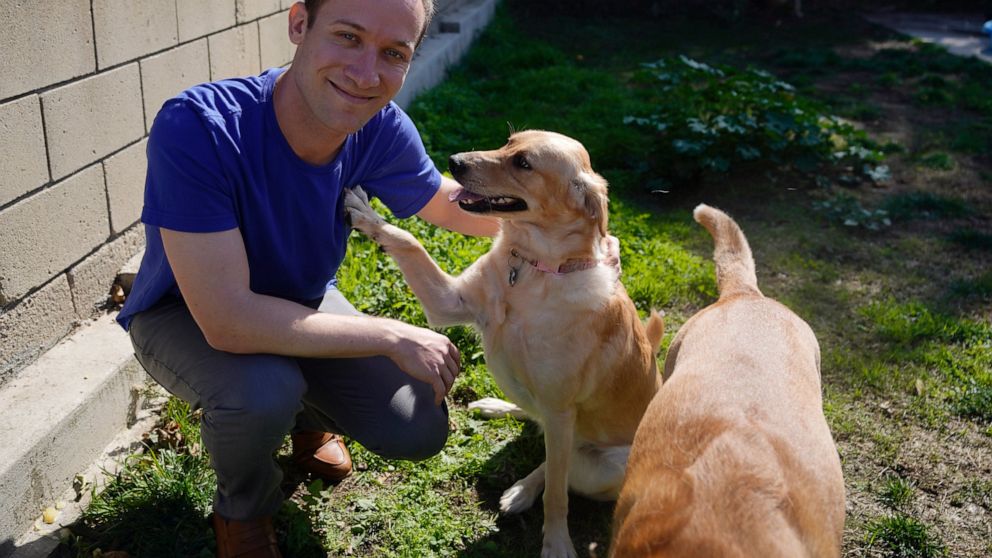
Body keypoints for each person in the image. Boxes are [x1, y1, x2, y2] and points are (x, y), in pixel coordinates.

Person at [117, 1, 499, 556]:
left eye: (393, 54)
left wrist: (559, 217)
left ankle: (305, 422)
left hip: (301, 302)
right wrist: (392, 335)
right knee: (263, 391)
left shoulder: (377, 127)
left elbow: (446, 203)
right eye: (348, 37)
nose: (366, 74)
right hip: (186, 315)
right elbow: (227, 320)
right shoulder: (200, 127)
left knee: (416, 423)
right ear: (300, 24)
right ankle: (243, 512)